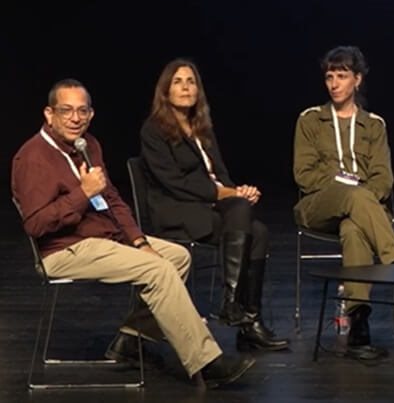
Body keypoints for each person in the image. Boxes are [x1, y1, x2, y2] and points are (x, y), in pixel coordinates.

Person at [11, 78, 255, 388]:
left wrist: (139, 241)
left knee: (177, 257)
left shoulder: (88, 145)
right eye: (66, 111)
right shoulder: (33, 157)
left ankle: (131, 340)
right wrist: (82, 194)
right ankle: (206, 362)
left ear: (91, 114)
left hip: (103, 237)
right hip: (64, 250)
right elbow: (35, 225)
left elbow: (112, 200)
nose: (75, 118)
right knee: (158, 270)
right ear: (49, 114)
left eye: (82, 111)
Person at [140, 59, 289, 352]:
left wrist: (238, 192)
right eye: (178, 82)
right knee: (243, 214)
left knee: (258, 231)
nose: (186, 87)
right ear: (165, 91)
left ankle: (247, 321)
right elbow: (174, 183)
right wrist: (228, 195)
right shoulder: (153, 130)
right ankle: (233, 306)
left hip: (208, 207)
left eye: (191, 81)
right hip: (177, 209)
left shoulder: (201, 128)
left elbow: (220, 173)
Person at [293, 45, 394, 359]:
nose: (334, 84)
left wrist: (360, 195)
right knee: (354, 195)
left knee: (354, 230)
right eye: (329, 77)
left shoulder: (374, 125)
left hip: (362, 213)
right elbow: (304, 175)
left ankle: (358, 320)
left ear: (357, 80)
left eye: (341, 76)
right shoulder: (310, 120)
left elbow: (383, 179)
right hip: (318, 205)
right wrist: (345, 186)